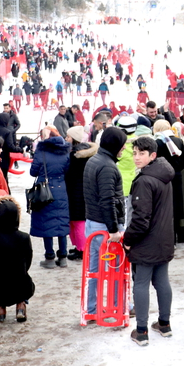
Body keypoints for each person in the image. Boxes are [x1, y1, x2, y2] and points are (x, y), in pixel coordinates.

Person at [123, 136, 176, 346]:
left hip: (146, 240)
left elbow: (140, 218)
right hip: (163, 238)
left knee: (142, 283)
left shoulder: (145, 180)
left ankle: (142, 331)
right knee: (162, 281)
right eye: (134, 153)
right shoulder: (163, 175)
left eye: (141, 153)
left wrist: (128, 239)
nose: (136, 157)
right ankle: (164, 324)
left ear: (152, 155)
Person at [82, 126, 127, 316]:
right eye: (122, 146)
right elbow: (107, 200)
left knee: (94, 270)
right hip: (105, 226)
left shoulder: (94, 160)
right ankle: (118, 306)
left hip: (92, 223)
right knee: (115, 268)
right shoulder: (107, 166)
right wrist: (114, 229)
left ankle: (92, 307)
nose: (124, 149)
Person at [30, 126, 71, 269]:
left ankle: (50, 257)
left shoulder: (41, 151)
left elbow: (33, 172)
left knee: (46, 223)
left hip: (44, 190)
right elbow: (67, 169)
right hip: (61, 189)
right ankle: (63, 256)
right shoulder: (65, 150)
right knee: (61, 222)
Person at [153, 119, 184, 243]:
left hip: (161, 179)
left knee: (163, 208)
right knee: (176, 207)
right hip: (177, 177)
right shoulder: (178, 141)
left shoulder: (156, 143)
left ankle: (168, 238)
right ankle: (179, 234)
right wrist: (175, 169)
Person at [64, 126, 98, 261]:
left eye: (68, 137)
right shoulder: (86, 153)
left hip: (76, 192)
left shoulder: (75, 156)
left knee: (78, 222)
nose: (66, 139)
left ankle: (83, 249)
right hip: (82, 191)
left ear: (74, 139)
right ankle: (79, 247)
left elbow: (70, 175)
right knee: (77, 221)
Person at [0, 112, 23, 187]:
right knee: (3, 180)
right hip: (3, 159)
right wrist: (20, 150)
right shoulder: (7, 132)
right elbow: (10, 147)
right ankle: (6, 196)